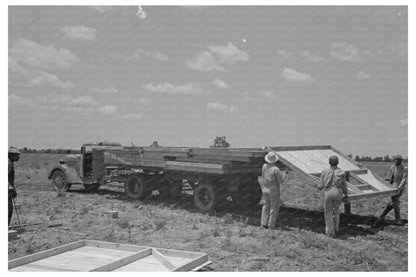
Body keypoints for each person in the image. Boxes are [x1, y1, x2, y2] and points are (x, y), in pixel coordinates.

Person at [318, 156, 349, 237]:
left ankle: (330, 232)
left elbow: (321, 185)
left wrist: (317, 186)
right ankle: (336, 229)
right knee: (336, 211)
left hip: (328, 191)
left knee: (328, 212)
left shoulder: (324, 171)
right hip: (338, 191)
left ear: (329, 162)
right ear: (337, 162)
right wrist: (346, 195)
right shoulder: (341, 172)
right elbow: (344, 185)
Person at [260, 152, 287, 230]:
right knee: (274, 207)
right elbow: (281, 181)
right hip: (273, 189)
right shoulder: (276, 169)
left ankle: (263, 223)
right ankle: (271, 225)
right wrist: (284, 174)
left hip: (265, 188)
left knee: (265, 206)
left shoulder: (264, 166)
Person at [380, 155, 407, 225]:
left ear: (401, 161)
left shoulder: (404, 168)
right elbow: (391, 177)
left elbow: (404, 179)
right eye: (395, 160)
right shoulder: (392, 167)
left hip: (399, 187)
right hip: (393, 187)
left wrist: (399, 187)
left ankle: (395, 219)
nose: (396, 161)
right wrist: (386, 182)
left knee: (394, 202)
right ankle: (386, 216)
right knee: (394, 202)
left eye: (398, 160)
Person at [8, 146, 21, 226]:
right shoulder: (8, 163)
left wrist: (13, 189)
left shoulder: (9, 162)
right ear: (10, 155)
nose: (18, 157)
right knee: (8, 208)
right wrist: (10, 188)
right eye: (16, 155)